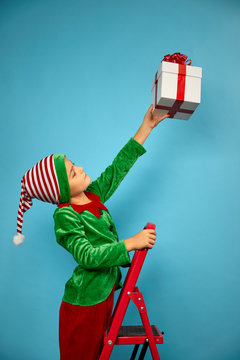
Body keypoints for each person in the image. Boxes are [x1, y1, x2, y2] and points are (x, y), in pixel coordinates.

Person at [13, 104, 169, 359]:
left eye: (75, 164)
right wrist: (131, 243)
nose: (81, 169)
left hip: (103, 293)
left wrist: (146, 127)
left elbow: (117, 169)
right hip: (85, 303)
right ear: (62, 190)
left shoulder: (93, 195)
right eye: (73, 173)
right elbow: (88, 256)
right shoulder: (65, 215)